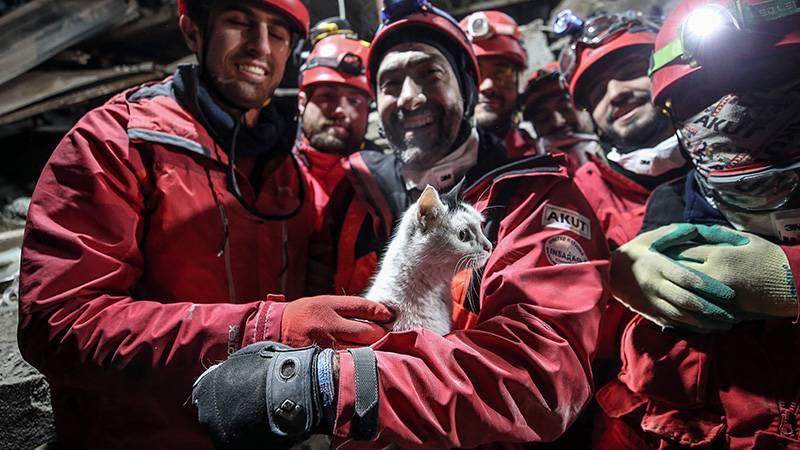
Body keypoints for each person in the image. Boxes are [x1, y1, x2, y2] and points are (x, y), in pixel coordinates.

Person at [191, 1, 611, 448]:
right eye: (390, 84)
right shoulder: (353, 196)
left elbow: (542, 378)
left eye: (430, 74)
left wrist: (328, 387)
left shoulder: (534, 198)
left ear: (466, 90)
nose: (409, 97)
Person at [16, 1, 394, 449]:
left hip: (257, 434)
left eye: (278, 33)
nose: (260, 45)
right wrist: (262, 330)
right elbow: (60, 321)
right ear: (193, 31)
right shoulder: (118, 143)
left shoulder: (286, 174)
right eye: (239, 22)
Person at [594, 1, 800, 447]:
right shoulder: (667, 229)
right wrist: (618, 283)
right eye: (704, 104)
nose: (739, 119)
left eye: (770, 87)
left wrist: (793, 280)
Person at [294, 23, 374, 214]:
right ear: (302, 102)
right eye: (327, 96)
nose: (340, 110)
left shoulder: (384, 185)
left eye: (354, 101)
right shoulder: (266, 170)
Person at [459, 10, 537, 159]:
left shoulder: (539, 156)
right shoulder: (427, 164)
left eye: (502, 74)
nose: (488, 85)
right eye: (475, 74)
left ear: (517, 83)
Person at [521, 61, 600, 173]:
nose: (557, 122)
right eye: (543, 117)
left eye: (565, 109)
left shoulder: (628, 162)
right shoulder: (535, 183)